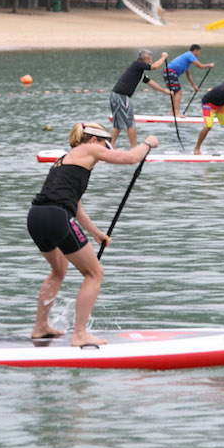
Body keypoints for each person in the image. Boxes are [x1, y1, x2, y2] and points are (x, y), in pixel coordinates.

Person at [27, 123, 157, 347]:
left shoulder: (67, 159)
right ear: (95, 140)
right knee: (94, 273)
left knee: (59, 270)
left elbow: (75, 206)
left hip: (36, 217)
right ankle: (80, 334)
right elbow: (129, 158)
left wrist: (96, 233)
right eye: (105, 146)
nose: (105, 152)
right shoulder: (89, 148)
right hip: (56, 217)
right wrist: (147, 144)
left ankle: (40, 327)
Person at [111, 49, 171, 148]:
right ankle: (134, 149)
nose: (151, 61)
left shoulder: (138, 70)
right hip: (121, 96)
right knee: (130, 123)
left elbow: (151, 83)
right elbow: (154, 67)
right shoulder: (137, 64)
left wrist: (165, 91)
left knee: (118, 125)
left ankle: (111, 146)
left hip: (116, 95)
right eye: (150, 59)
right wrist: (163, 57)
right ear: (146, 59)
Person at [163, 45, 214, 117]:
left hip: (167, 72)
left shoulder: (187, 61)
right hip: (170, 72)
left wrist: (194, 86)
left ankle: (172, 113)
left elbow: (188, 75)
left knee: (175, 92)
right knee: (178, 92)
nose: (199, 54)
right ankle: (176, 113)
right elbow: (200, 66)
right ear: (195, 50)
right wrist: (210, 65)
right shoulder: (190, 55)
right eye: (199, 52)